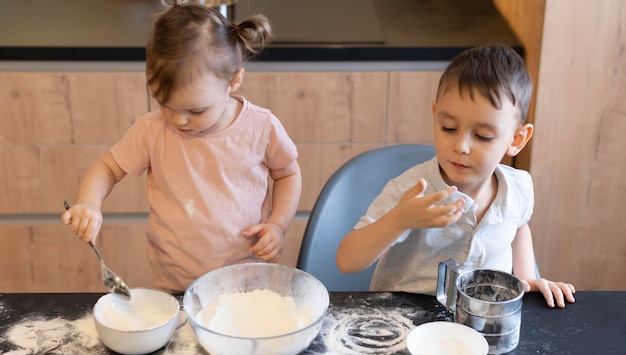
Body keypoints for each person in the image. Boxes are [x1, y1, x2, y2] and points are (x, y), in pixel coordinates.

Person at [62, 1, 302, 292]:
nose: (178, 119)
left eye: (196, 110)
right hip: (175, 284)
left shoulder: (261, 127)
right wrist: (89, 202)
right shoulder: (152, 129)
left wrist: (277, 225)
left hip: (244, 283)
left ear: (234, 80)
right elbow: (107, 168)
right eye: (164, 103)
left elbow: (287, 174)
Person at [336, 44, 575, 308]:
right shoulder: (412, 192)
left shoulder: (517, 188)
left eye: (482, 136)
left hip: (480, 322)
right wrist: (400, 219)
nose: (461, 146)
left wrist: (527, 278)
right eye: (449, 128)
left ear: (516, 139)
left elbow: (517, 227)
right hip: (407, 322)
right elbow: (347, 261)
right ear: (435, 114)